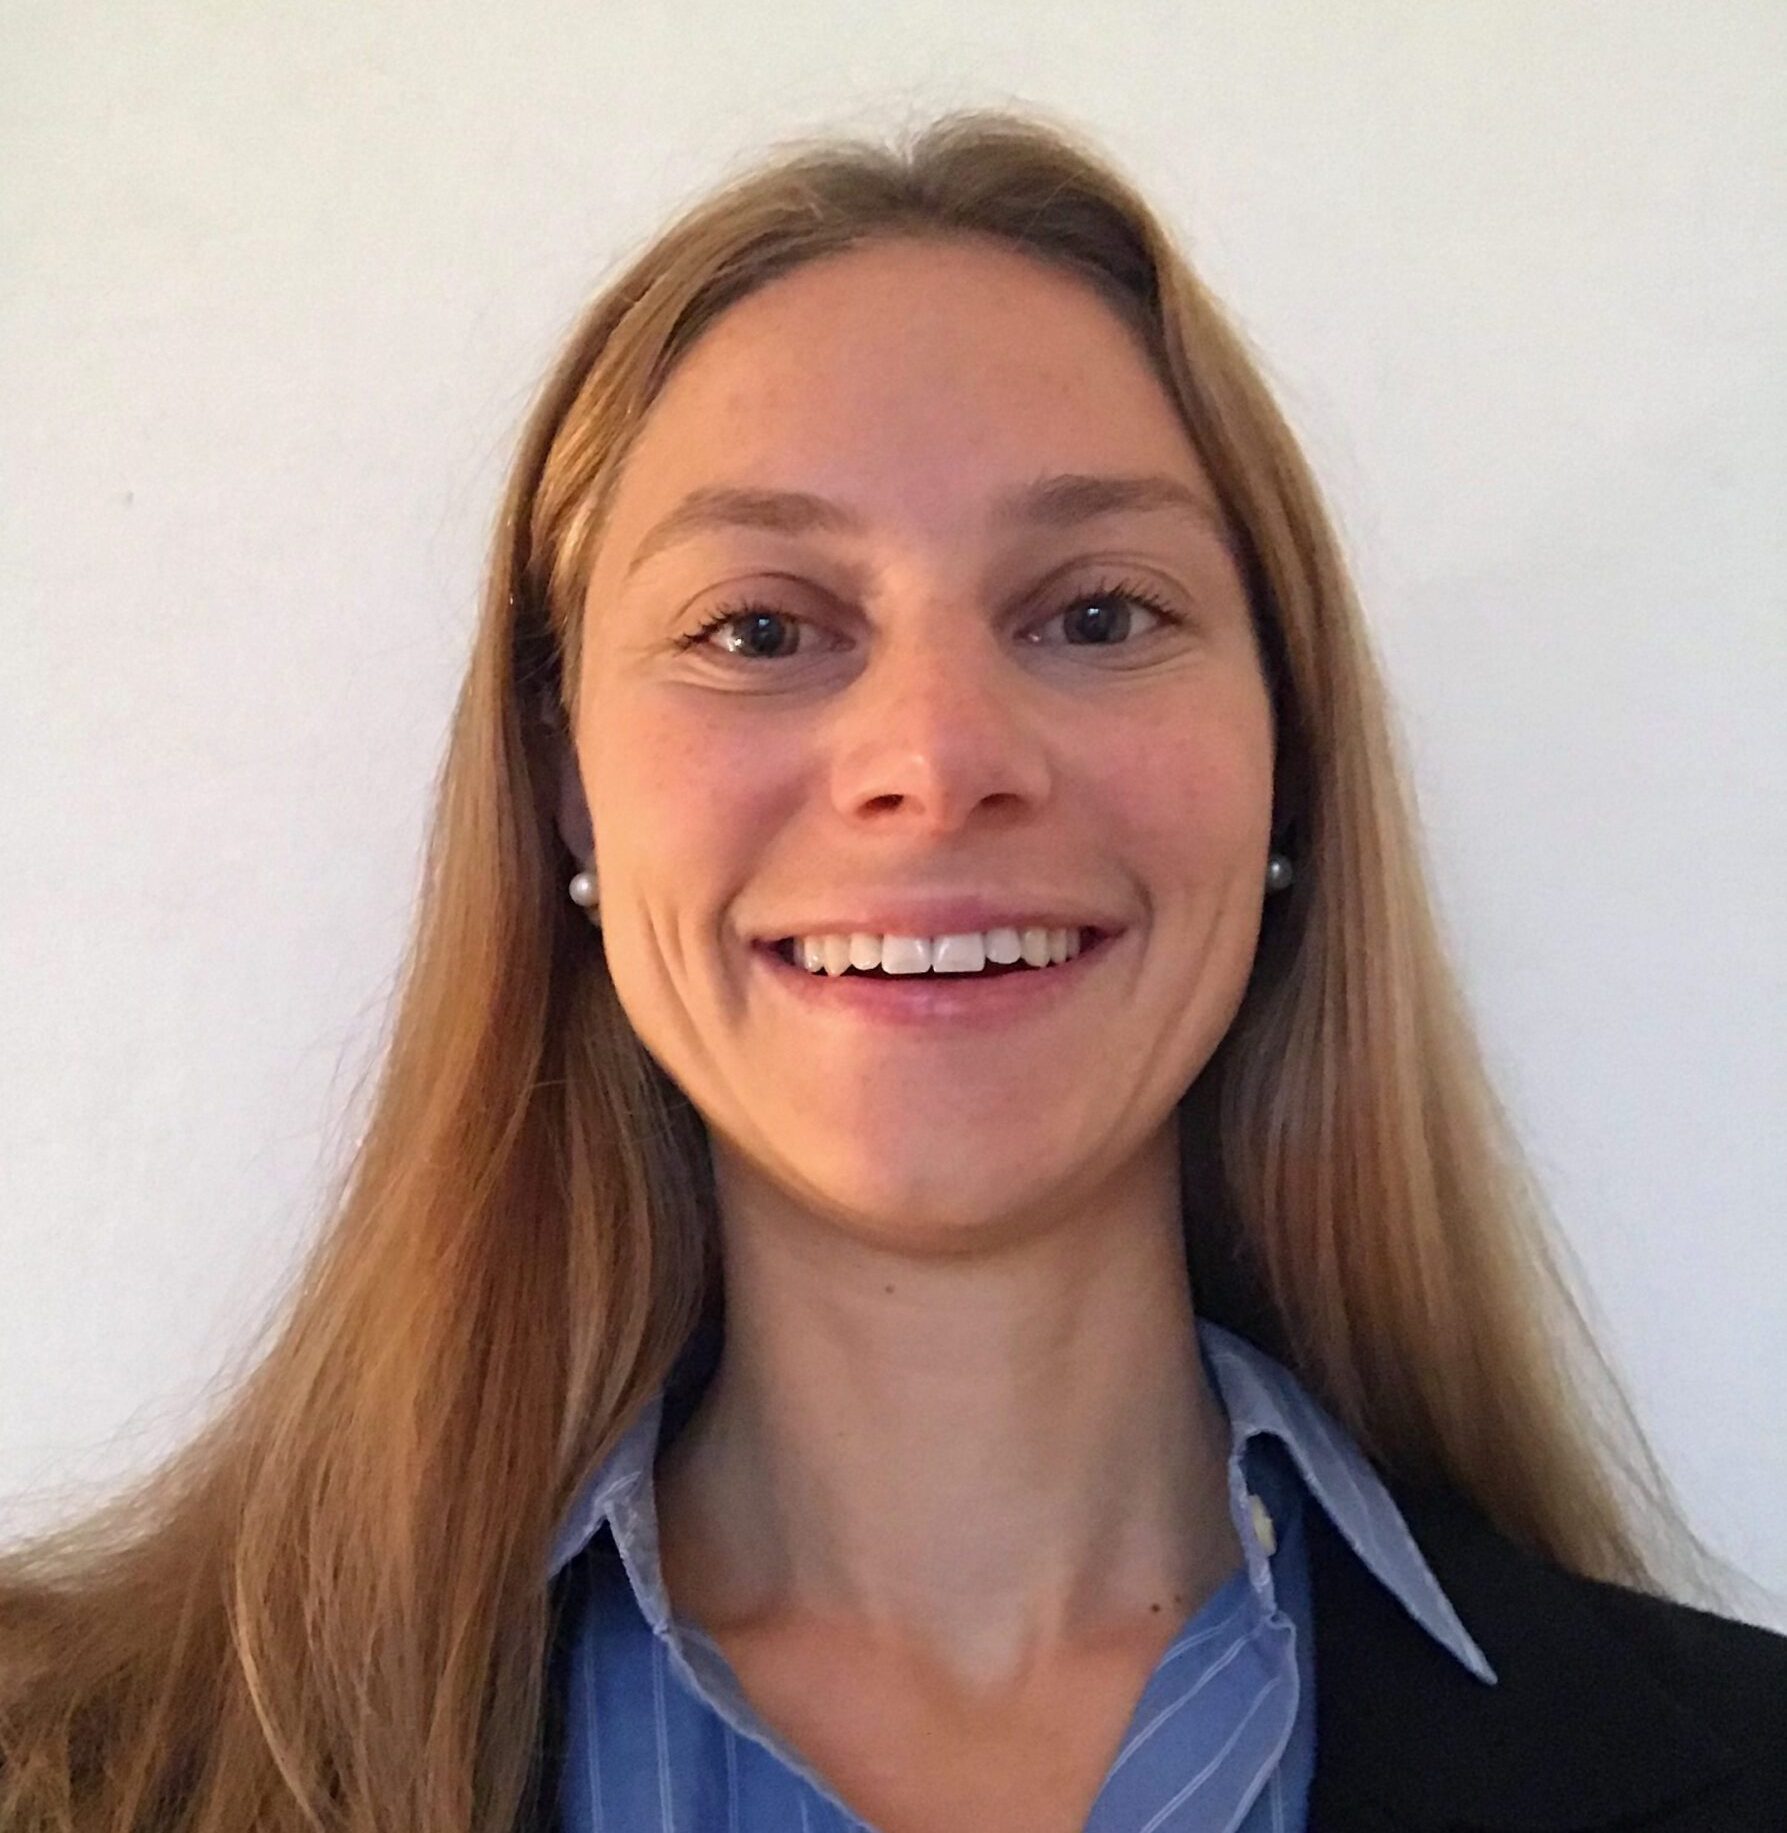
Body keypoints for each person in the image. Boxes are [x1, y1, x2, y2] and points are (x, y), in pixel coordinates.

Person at [2, 106, 1782, 1833]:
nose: (935, 759)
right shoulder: (71, 1778)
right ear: (566, 785)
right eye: (760, 627)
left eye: (1098, 613)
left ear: (1287, 762)